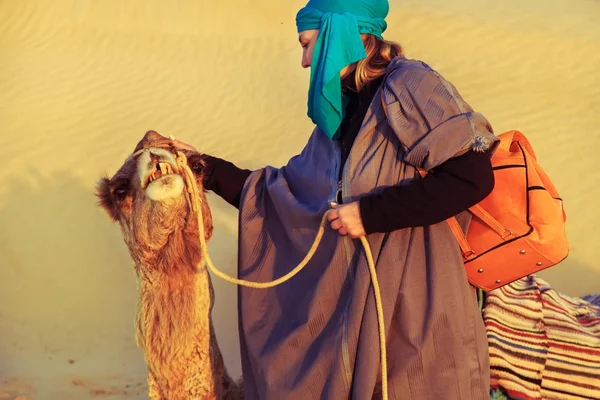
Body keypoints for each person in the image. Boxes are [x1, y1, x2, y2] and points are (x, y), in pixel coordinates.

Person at [179, 0, 500, 398]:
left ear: (336, 33)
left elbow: (471, 176)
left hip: (414, 303)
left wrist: (369, 213)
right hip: (356, 305)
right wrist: (203, 168)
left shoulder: (411, 84)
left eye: (306, 43)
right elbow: (287, 196)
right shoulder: (342, 114)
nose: (303, 61)